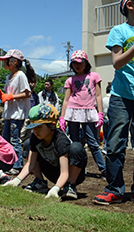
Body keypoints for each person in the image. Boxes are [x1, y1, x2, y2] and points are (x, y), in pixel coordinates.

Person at [94, 0, 134, 205]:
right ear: (130, 5)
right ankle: (115, 189)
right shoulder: (119, 30)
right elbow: (117, 62)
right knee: (116, 143)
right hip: (121, 96)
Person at [4, 104, 88, 200]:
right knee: (27, 144)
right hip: (52, 171)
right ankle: (40, 182)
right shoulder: (35, 138)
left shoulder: (60, 140)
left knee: (76, 147)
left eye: (39, 127)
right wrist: (16, 180)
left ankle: (70, 185)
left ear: (51, 125)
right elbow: (31, 163)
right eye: (33, 127)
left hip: (70, 173)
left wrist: (56, 188)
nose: (35, 130)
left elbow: (64, 172)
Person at [59, 50, 106, 179]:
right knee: (75, 143)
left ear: (86, 63)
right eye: (74, 63)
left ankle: (104, 170)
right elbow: (66, 100)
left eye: (80, 63)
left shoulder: (94, 76)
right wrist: (62, 117)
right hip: (73, 112)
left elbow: (98, 96)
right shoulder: (70, 80)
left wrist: (100, 113)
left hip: (89, 111)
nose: (77, 65)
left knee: (93, 143)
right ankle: (79, 169)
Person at [0, 49, 31, 175]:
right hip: (9, 114)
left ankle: (18, 165)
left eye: (6, 60)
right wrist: (1, 96)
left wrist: (10, 97)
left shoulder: (20, 75)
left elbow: (27, 93)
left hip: (17, 114)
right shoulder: (9, 77)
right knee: (6, 140)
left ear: (14, 62)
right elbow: (7, 94)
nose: (4, 62)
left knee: (15, 140)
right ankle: (7, 163)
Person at [20, 60, 39, 145]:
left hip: (32, 117)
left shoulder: (35, 95)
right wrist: (27, 65)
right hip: (24, 116)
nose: (32, 84)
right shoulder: (24, 93)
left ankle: (27, 145)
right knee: (22, 131)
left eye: (34, 82)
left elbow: (37, 106)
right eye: (31, 82)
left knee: (30, 133)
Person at [101, 83, 111, 154]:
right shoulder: (113, 100)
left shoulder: (103, 100)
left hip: (104, 118)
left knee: (106, 135)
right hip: (111, 119)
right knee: (112, 134)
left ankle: (106, 148)